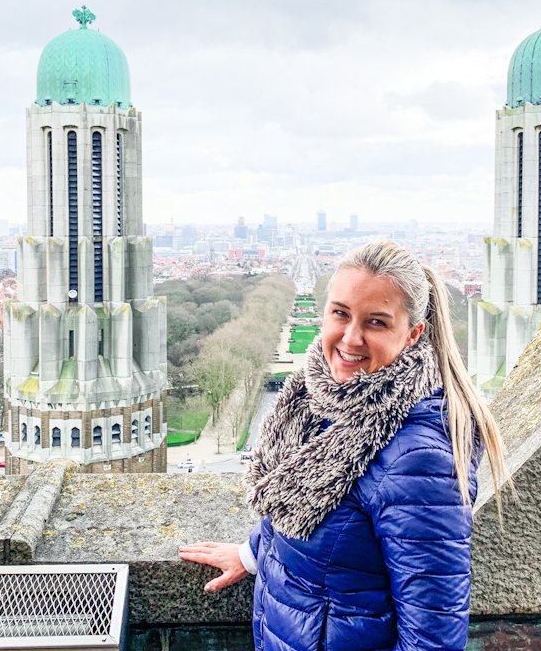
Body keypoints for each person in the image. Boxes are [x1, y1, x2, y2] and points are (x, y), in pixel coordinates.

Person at [180, 241, 508, 651]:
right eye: (341, 313)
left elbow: (433, 634)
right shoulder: (323, 395)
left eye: (376, 323)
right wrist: (251, 553)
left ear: (413, 334)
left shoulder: (418, 459)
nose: (351, 338)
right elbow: (296, 491)